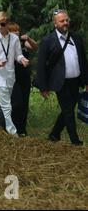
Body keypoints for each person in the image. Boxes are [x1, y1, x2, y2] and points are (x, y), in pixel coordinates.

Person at [35, 9, 88, 145]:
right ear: (55, 23)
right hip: (60, 82)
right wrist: (43, 87)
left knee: (67, 110)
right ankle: (75, 141)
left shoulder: (76, 37)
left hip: (75, 81)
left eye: (66, 20)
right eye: (62, 21)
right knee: (69, 111)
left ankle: (54, 134)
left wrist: (86, 80)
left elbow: (83, 60)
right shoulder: (48, 41)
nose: (65, 23)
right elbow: (41, 65)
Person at [8, 22, 38, 136]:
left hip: (24, 77)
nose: (17, 32)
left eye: (17, 30)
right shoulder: (7, 44)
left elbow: (35, 47)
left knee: (24, 104)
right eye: (13, 30)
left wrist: (28, 38)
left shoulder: (23, 42)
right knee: (17, 103)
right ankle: (12, 128)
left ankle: (22, 130)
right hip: (13, 77)